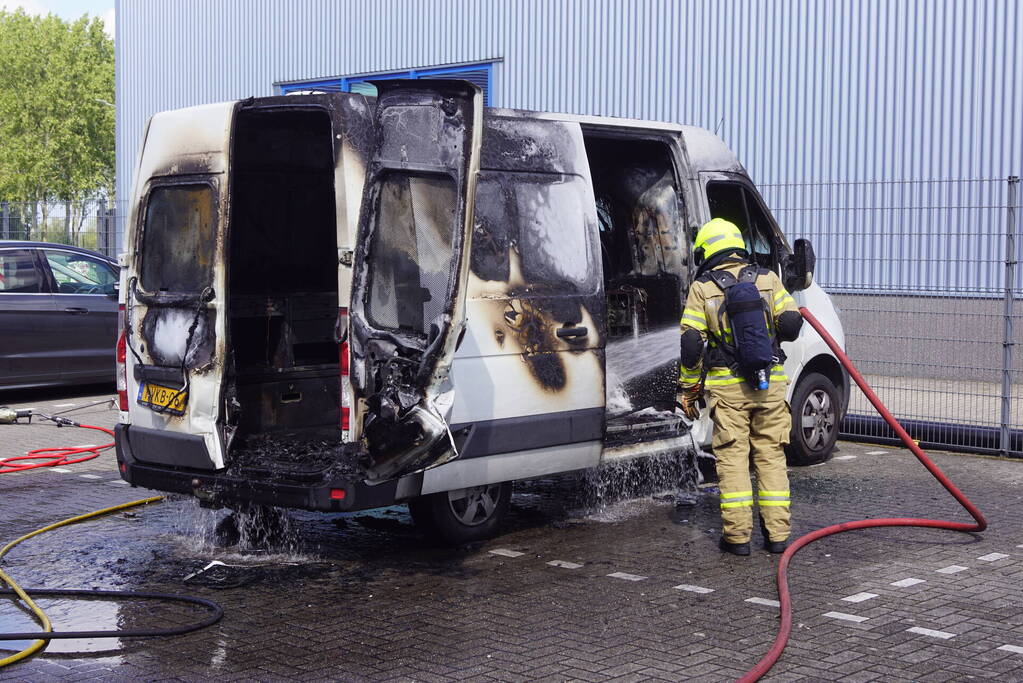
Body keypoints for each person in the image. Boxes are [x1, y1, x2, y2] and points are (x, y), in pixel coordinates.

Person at [677, 218, 803, 556]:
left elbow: (691, 345)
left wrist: (688, 391)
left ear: (706, 250)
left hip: (727, 390)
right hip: (770, 385)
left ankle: (737, 538)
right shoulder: (767, 278)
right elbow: (791, 325)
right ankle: (777, 536)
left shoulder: (702, 288)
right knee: (771, 457)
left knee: (733, 460)